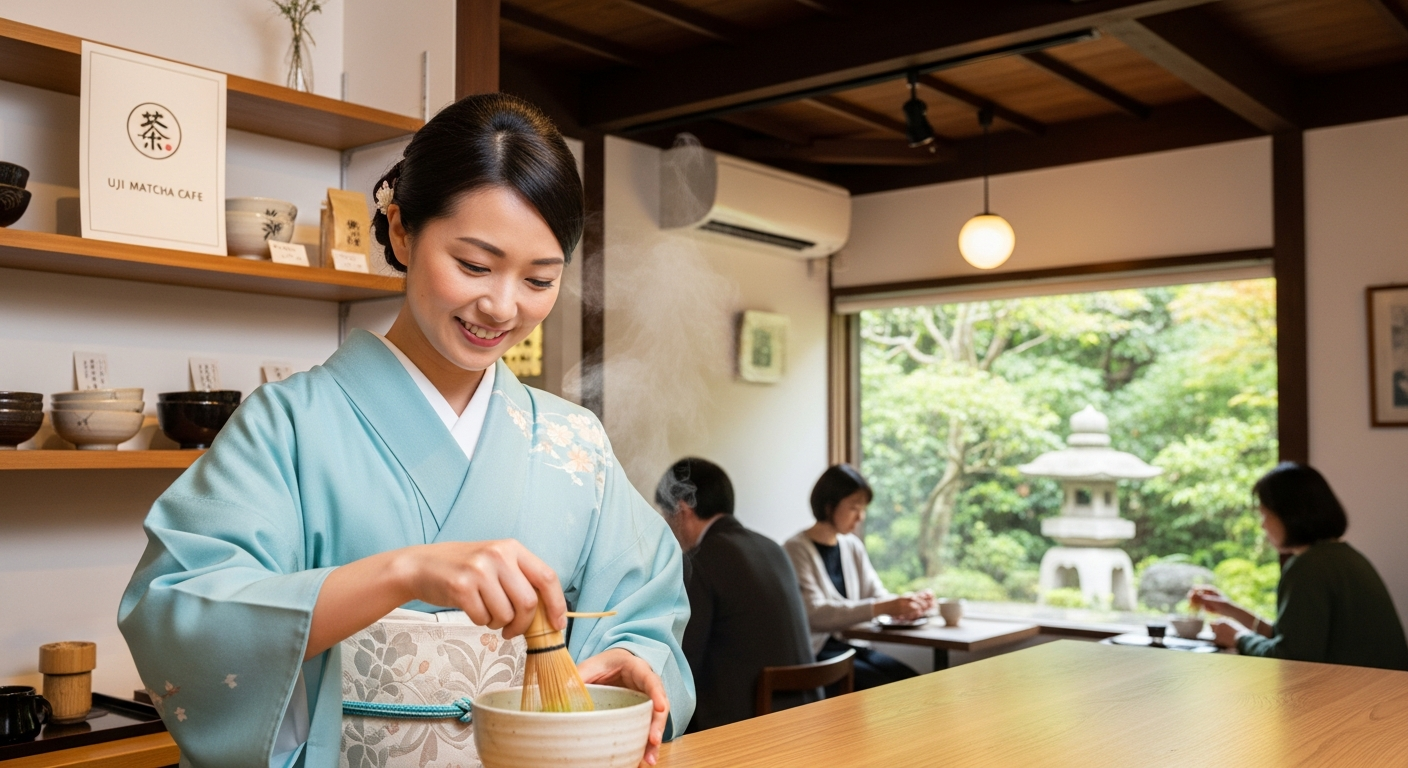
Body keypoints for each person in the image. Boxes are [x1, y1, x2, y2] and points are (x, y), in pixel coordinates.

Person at [118, 94, 693, 767]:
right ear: (400, 230)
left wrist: (628, 662)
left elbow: (647, 608)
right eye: (474, 265)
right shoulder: (289, 424)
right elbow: (176, 610)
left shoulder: (576, 442)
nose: (502, 306)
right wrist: (401, 573)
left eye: (539, 279)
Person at [1191, 462, 1408, 671]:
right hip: (1385, 691)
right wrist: (1228, 609)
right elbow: (1293, 636)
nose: (1262, 524)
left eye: (1266, 514)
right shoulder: (1344, 556)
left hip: (1360, 698)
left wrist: (1238, 638)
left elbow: (1291, 658)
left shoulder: (1309, 567)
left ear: (1289, 515)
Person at [655, 457, 816, 732]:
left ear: (681, 509)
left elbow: (682, 662)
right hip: (806, 714)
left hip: (749, 724)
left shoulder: (701, 560)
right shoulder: (771, 547)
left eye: (665, 513)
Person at [784, 464, 934, 690]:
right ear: (829, 506)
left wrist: (907, 606)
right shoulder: (795, 549)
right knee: (886, 690)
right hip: (819, 655)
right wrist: (883, 607)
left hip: (854, 648)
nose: (860, 517)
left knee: (913, 683)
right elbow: (814, 613)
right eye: (854, 507)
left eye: (863, 508)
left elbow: (877, 595)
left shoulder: (852, 546)